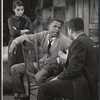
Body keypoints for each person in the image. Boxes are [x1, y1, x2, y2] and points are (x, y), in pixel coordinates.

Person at [9, 18, 71, 100]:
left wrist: (57, 60)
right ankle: (23, 95)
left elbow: (72, 54)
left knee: (39, 77)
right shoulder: (44, 35)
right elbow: (29, 36)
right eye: (54, 26)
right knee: (15, 69)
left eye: (59, 28)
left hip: (53, 67)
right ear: (48, 26)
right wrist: (15, 42)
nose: (57, 29)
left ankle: (46, 96)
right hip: (40, 65)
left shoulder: (63, 40)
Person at [37, 17, 98, 100]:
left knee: (43, 88)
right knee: (50, 81)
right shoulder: (91, 42)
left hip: (80, 86)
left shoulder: (78, 42)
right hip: (92, 84)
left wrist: (57, 77)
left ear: (71, 30)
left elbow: (73, 70)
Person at [8, 0, 34, 75]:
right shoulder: (11, 20)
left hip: (24, 43)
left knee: (23, 67)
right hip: (14, 43)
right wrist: (25, 31)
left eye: (22, 9)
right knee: (13, 68)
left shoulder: (26, 19)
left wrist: (18, 31)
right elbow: (13, 33)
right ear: (14, 9)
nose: (20, 12)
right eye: (18, 10)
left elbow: (32, 31)